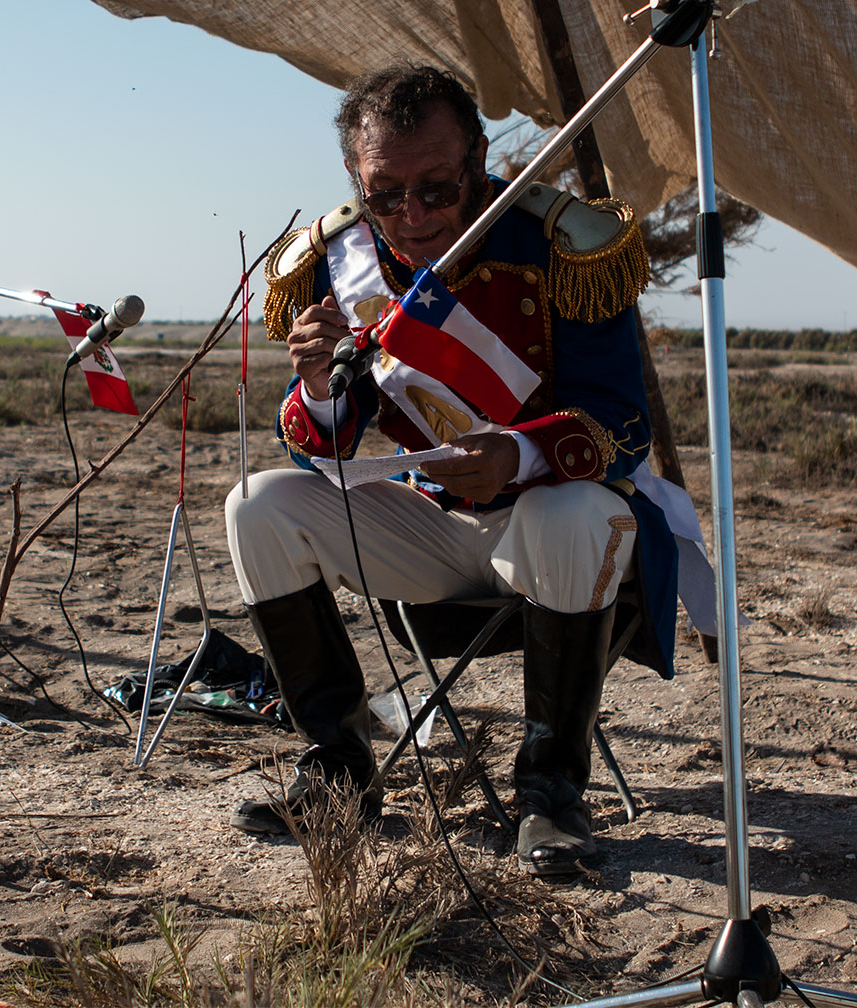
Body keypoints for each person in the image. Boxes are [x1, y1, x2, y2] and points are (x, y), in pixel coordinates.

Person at [224, 63, 683, 878]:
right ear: (353, 180)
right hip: (432, 523)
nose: (411, 214)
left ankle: (551, 795)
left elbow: (624, 425)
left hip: (552, 528)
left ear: (475, 157)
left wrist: (521, 451)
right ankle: (338, 767)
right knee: (259, 504)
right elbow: (317, 447)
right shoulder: (337, 259)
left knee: (571, 512)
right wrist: (321, 384)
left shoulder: (558, 241)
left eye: (437, 188)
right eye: (386, 193)